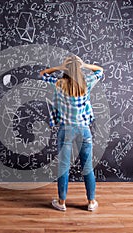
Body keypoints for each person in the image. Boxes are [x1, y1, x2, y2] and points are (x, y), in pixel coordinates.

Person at [39, 55, 104, 211]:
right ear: (79, 69)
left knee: (63, 167)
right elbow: (100, 71)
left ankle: (61, 203)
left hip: (66, 130)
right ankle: (91, 202)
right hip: (83, 129)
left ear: (66, 70)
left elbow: (42, 74)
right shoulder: (86, 83)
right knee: (87, 167)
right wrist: (84, 65)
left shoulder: (59, 83)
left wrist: (60, 67)